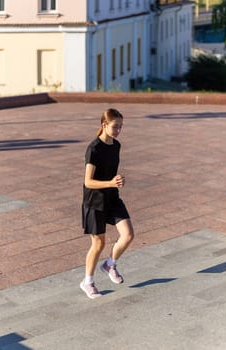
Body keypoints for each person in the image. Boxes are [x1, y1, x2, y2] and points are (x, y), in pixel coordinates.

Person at [80, 108, 134, 299]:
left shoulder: (116, 145)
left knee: (128, 235)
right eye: (115, 126)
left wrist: (117, 181)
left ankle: (109, 264)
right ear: (104, 125)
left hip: (112, 197)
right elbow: (88, 181)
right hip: (94, 201)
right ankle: (88, 282)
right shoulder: (94, 149)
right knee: (98, 243)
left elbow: (110, 173)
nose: (118, 130)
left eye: (121, 127)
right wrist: (111, 182)